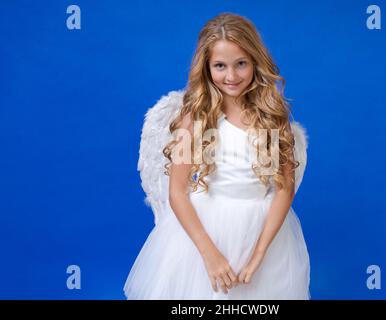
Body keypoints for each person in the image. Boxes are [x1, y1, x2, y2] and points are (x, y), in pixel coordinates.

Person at [124, 12, 310, 300]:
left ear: (255, 62)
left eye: (241, 64)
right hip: (206, 232)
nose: (231, 76)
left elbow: (285, 187)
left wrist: (260, 252)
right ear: (206, 67)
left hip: (264, 230)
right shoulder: (194, 117)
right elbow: (177, 192)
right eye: (220, 66)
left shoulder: (274, 117)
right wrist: (209, 254)